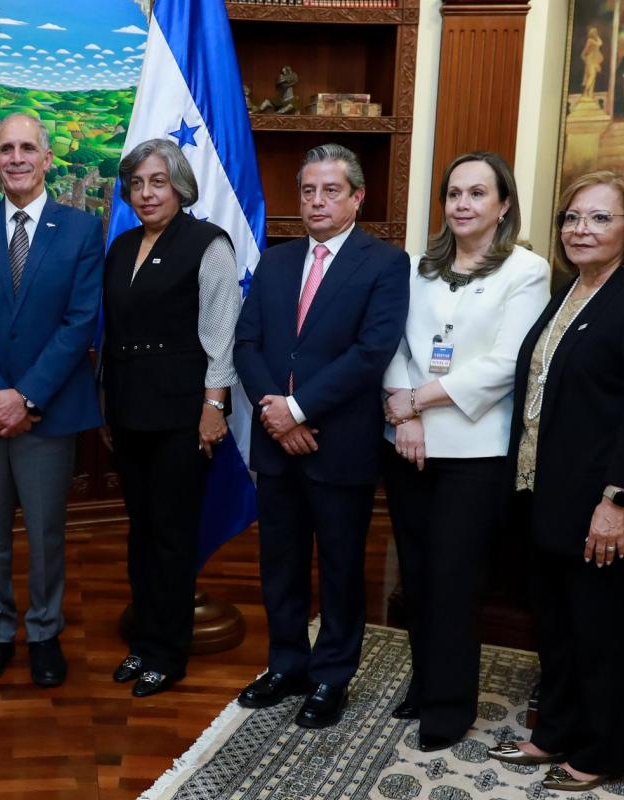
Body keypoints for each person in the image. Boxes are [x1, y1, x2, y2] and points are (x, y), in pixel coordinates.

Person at [487, 171, 624, 792]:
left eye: (600, 218)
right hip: (547, 502)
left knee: (604, 636)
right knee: (558, 629)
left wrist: (616, 501)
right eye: (573, 217)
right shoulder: (568, 294)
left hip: (606, 509)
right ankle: (555, 733)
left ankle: (601, 753)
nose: (581, 229)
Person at [233, 143, 409, 727]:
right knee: (279, 562)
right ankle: (286, 663)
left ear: (357, 197)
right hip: (276, 442)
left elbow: (370, 354)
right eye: (308, 190)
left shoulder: (384, 264)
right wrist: (275, 412)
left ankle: (332, 676)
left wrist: (300, 409)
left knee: (338, 567)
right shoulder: (276, 260)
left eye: (331, 190)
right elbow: (247, 344)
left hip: (341, 444)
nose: (316, 201)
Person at [381, 152, 549, 750]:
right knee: (418, 578)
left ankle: (449, 708)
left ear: (503, 205)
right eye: (454, 194)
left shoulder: (526, 271)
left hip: (474, 451)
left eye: (478, 194)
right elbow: (394, 339)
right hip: (407, 441)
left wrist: (419, 401)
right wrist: (404, 411)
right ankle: (425, 684)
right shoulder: (419, 267)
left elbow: (506, 365)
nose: (462, 205)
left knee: (455, 581)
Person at [0, 112, 104, 688]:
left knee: (45, 532)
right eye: (5, 148)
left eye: (27, 148)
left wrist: (27, 397)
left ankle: (43, 632)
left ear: (47, 158)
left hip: (49, 409)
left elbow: (80, 321)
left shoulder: (82, 230)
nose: (16, 157)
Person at [101, 139, 241, 697]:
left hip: (184, 415)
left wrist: (214, 407)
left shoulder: (208, 243)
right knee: (142, 532)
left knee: (173, 535)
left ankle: (168, 651)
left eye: (157, 181)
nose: (146, 192)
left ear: (180, 185)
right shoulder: (121, 246)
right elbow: (112, 335)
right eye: (136, 183)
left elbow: (220, 332)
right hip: (130, 411)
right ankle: (143, 642)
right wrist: (108, 407)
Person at [580, 27, 604, 99]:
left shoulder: (595, 40)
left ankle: (590, 94)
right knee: (592, 75)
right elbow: (586, 50)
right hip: (590, 59)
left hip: (594, 59)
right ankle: (585, 91)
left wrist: (597, 37)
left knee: (593, 77)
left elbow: (600, 43)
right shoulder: (590, 40)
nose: (596, 33)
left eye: (596, 32)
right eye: (595, 32)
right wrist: (585, 57)